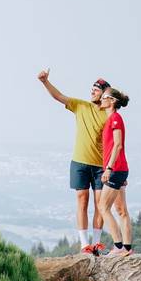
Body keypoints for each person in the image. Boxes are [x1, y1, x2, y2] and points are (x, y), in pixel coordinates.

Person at [37, 68, 109, 253]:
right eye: (92, 88)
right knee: (82, 201)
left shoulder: (108, 115)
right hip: (79, 162)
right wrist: (45, 82)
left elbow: (114, 142)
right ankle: (85, 244)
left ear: (104, 94)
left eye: (97, 89)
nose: (92, 91)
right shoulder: (81, 106)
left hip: (100, 165)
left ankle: (96, 243)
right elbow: (59, 96)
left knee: (100, 205)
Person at [98, 87, 133, 256]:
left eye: (104, 97)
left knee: (103, 207)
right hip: (119, 170)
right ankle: (127, 248)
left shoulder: (115, 119)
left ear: (112, 101)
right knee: (121, 211)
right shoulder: (112, 118)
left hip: (115, 169)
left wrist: (109, 169)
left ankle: (118, 247)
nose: (101, 100)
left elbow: (118, 145)